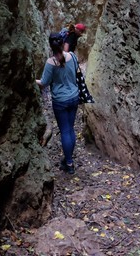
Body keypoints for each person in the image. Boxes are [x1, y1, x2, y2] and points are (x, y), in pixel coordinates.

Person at [36, 32, 79, 174]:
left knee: (65, 131)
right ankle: (69, 158)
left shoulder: (50, 63)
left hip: (60, 101)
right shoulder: (72, 56)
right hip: (74, 97)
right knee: (70, 129)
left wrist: (32, 79)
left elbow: (44, 83)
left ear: (50, 45)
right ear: (62, 43)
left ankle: (69, 163)